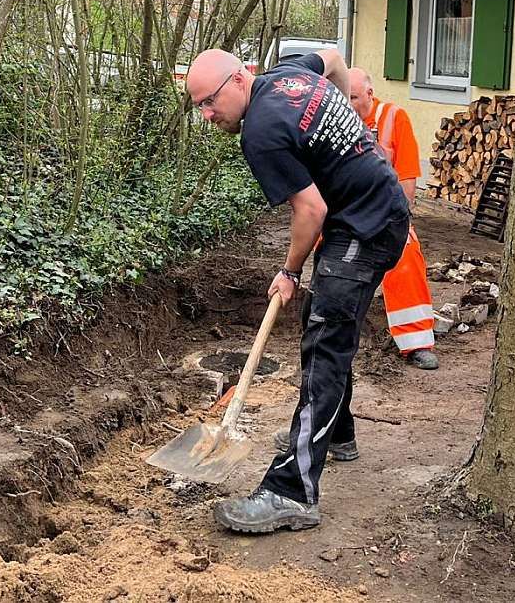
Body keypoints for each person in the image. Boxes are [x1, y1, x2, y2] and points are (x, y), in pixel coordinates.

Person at [186, 47, 408, 534]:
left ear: (240, 79)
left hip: (365, 227)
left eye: (209, 102)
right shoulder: (288, 74)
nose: (206, 115)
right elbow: (331, 56)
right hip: (375, 210)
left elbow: (310, 211)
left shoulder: (261, 134)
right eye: (198, 106)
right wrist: (351, 108)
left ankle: (293, 492)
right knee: (324, 324)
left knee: (325, 342)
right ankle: (341, 435)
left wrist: (288, 272)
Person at [347, 67, 438, 369]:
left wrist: (398, 220)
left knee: (406, 254)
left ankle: (416, 342)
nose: (349, 103)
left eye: (354, 97)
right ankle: (332, 333)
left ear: (369, 94)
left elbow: (408, 178)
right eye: (344, 97)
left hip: (387, 214)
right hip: (347, 214)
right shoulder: (336, 121)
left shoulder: (394, 118)